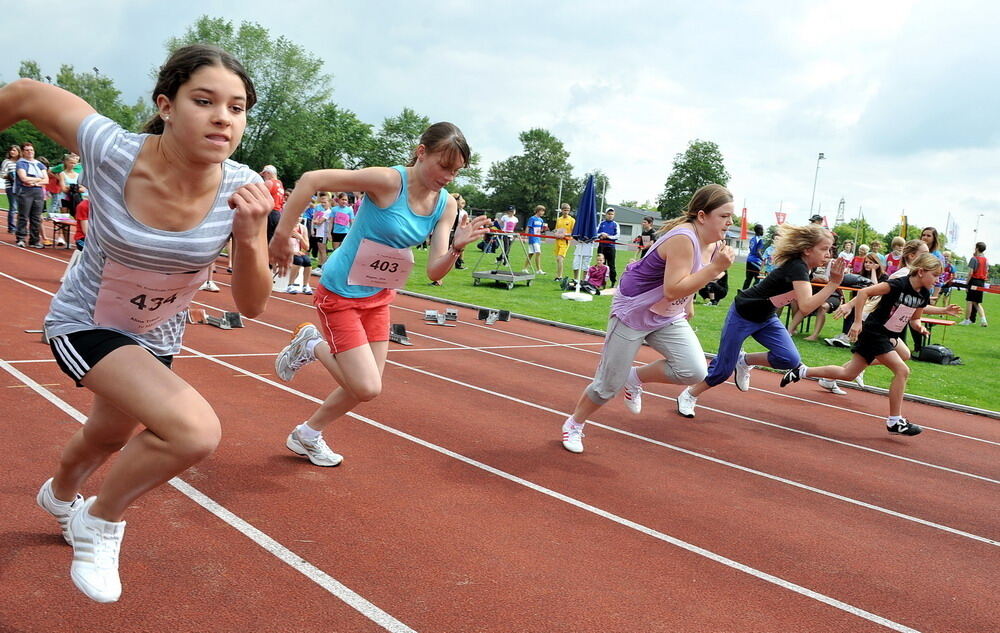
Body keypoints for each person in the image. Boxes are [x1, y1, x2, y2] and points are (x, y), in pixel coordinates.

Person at [0, 45, 273, 603]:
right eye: (205, 101)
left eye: (238, 107)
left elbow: (251, 306)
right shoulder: (113, 151)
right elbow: (23, 94)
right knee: (193, 431)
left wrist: (249, 238)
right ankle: (98, 522)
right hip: (86, 322)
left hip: (158, 334)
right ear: (166, 105)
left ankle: (59, 496)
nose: (224, 117)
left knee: (107, 435)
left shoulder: (242, 189)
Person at [268, 122, 491, 467]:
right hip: (340, 293)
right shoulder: (388, 181)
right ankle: (311, 343)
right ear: (421, 152)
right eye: (444, 166)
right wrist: (283, 235)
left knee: (364, 386)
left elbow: (434, 272)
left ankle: (307, 435)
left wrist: (455, 250)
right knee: (367, 388)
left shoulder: (445, 205)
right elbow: (311, 179)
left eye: (456, 171)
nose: (448, 176)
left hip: (378, 296)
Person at [560, 184, 735, 453]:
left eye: (730, 216)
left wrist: (688, 303)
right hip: (633, 312)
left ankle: (635, 378)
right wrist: (714, 269)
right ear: (702, 216)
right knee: (608, 386)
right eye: (724, 216)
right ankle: (574, 424)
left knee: (694, 370)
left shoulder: (714, 245)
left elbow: (689, 278)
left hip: (666, 314)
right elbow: (674, 287)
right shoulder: (683, 239)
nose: (730, 222)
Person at [675, 223, 845, 418]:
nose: (829, 254)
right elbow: (806, 306)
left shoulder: (804, 267)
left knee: (789, 358)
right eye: (824, 249)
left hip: (765, 317)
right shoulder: (798, 267)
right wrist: (834, 283)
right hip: (743, 314)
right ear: (807, 250)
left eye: (830, 249)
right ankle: (689, 394)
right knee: (722, 370)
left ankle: (744, 360)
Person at [782, 254, 960, 435]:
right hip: (875, 333)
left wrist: (924, 324)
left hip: (889, 335)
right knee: (902, 370)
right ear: (921, 272)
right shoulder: (898, 284)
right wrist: (857, 322)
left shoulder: (922, 294)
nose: (938, 281)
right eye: (935, 275)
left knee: (848, 373)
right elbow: (863, 292)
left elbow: (915, 319)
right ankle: (895, 421)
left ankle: (801, 371)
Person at [14, 141, 49, 248]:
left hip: (37, 191)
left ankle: (34, 240)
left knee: (36, 217)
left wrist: (34, 182)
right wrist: (39, 179)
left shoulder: (39, 164)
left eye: (31, 150)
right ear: (23, 152)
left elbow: (46, 180)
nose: (30, 152)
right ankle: (21, 238)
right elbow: (23, 178)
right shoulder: (21, 163)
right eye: (27, 150)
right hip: (25, 191)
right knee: (23, 216)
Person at [960, 242, 988, 326]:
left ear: (977, 248)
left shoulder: (974, 259)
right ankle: (983, 320)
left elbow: (970, 273)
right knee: (977, 303)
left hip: (974, 281)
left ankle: (966, 320)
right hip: (981, 282)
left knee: (969, 301)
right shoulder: (986, 260)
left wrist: (967, 283)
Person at [596, 208, 620, 286]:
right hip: (601, 247)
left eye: (612, 214)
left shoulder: (615, 224)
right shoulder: (601, 223)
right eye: (609, 214)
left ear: (614, 215)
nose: (610, 216)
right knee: (601, 265)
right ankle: (600, 282)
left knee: (611, 265)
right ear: (606, 214)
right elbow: (596, 233)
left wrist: (608, 236)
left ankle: (613, 281)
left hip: (611, 247)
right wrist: (601, 235)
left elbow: (617, 235)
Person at [262, 163, 284, 243]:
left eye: (264, 174)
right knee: (273, 238)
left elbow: (261, 197)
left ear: (268, 173)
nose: (263, 177)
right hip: (277, 213)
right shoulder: (280, 184)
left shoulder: (269, 183)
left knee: (265, 237)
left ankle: (265, 255)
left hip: (270, 212)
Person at [553, 202, 575, 282]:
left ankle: (560, 276)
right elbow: (556, 229)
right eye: (565, 210)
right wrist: (555, 233)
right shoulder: (559, 219)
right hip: (557, 241)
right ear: (562, 210)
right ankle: (558, 275)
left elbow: (573, 233)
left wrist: (565, 235)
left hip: (565, 242)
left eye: (568, 210)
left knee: (560, 258)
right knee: (557, 259)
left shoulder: (572, 220)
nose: (566, 212)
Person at [522, 204, 547, 274]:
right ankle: (539, 269)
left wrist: (544, 229)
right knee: (538, 252)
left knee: (531, 253)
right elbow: (528, 227)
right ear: (538, 211)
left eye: (544, 211)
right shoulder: (532, 218)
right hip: (533, 238)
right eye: (542, 211)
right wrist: (525, 237)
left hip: (538, 238)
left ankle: (525, 268)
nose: (543, 213)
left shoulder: (541, 220)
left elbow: (540, 229)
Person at [2, 144, 20, 232]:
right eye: (11, 150)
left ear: (19, 152)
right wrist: (9, 176)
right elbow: (2, 174)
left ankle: (21, 227)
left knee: (23, 208)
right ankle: (12, 227)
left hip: (22, 187)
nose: (12, 152)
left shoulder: (21, 162)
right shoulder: (6, 162)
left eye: (14, 150)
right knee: (13, 207)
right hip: (11, 187)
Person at [743, 223, 765, 289]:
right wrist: (763, 259)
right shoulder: (760, 239)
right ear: (760, 230)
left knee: (748, 279)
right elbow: (758, 252)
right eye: (762, 229)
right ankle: (751, 293)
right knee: (758, 279)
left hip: (749, 260)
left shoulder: (752, 239)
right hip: (755, 261)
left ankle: (742, 293)